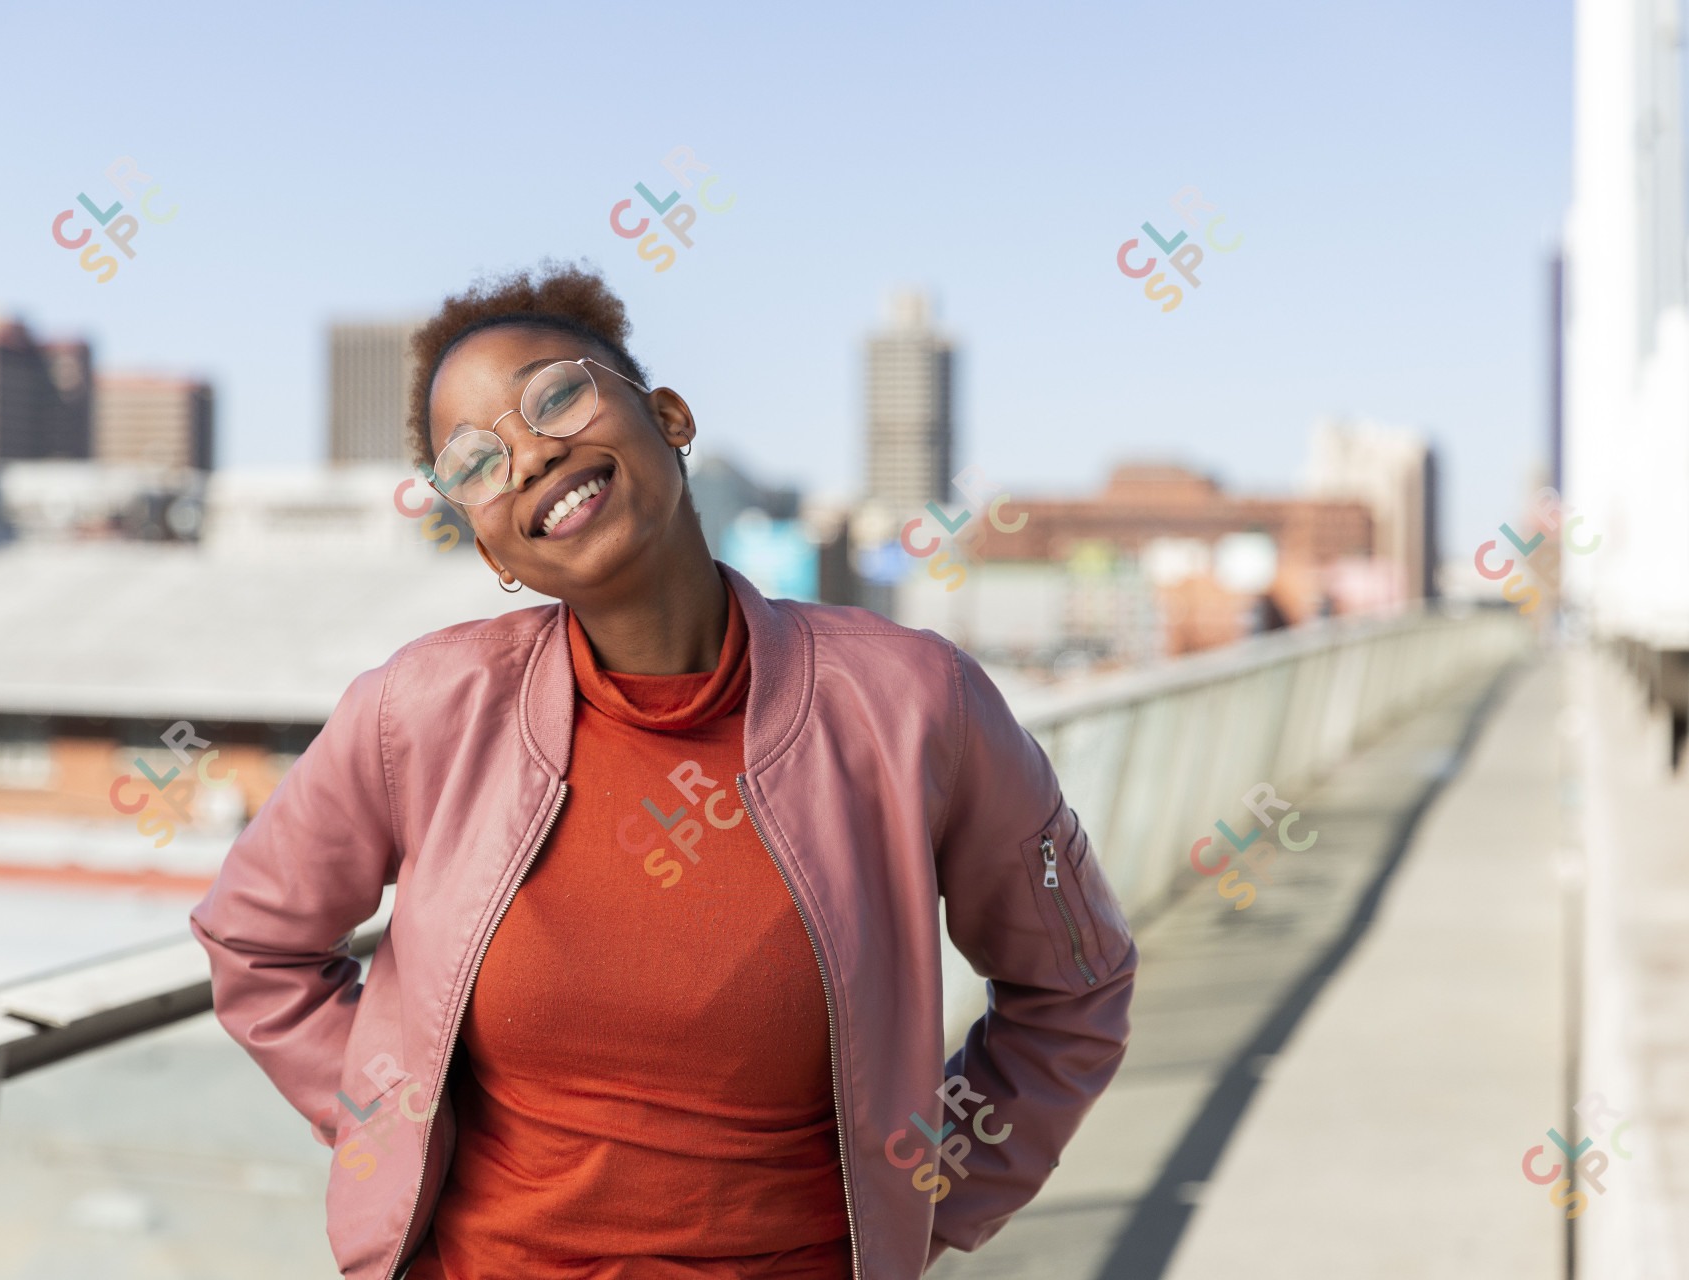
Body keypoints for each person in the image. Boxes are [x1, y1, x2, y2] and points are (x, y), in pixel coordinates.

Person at [191, 263, 1137, 1280]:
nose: (532, 455)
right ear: (489, 547)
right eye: (477, 461)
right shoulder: (420, 710)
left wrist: (934, 1190)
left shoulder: (915, 704)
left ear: (670, 416)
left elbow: (1073, 983)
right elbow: (255, 937)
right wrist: (403, 1143)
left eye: (557, 395)